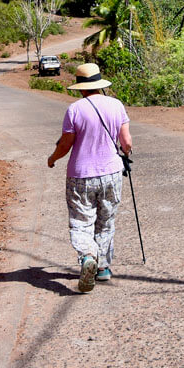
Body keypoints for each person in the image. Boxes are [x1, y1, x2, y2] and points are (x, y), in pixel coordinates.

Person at [47, 63, 132, 293]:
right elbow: (127, 143)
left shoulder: (75, 109)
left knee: (82, 221)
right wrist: (125, 153)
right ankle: (102, 267)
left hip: (81, 176)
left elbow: (66, 144)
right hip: (111, 173)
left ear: (81, 87)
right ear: (99, 84)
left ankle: (87, 257)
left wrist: (52, 158)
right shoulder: (116, 105)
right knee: (106, 220)